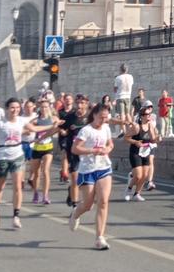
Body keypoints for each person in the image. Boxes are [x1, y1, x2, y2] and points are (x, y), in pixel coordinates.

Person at [0, 97, 50, 229]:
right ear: (7, 109)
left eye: (17, 108)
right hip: (1, 156)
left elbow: (35, 129)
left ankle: (16, 216)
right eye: (12, 107)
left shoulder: (22, 120)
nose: (15, 110)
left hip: (17, 155)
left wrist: (53, 125)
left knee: (17, 186)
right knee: (0, 186)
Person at [69, 101, 114, 250]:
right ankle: (75, 214)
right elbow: (75, 149)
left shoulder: (106, 128)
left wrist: (107, 149)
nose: (104, 120)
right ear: (94, 115)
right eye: (101, 117)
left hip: (103, 167)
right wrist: (92, 151)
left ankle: (99, 238)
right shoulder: (86, 131)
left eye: (106, 117)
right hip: (87, 169)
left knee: (103, 201)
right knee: (87, 205)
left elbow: (110, 144)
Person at [59, 94, 88, 212]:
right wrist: (62, 131)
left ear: (86, 103)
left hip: (88, 153)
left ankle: (71, 190)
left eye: (82, 103)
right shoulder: (70, 117)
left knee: (83, 182)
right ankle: (75, 207)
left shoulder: (91, 117)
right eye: (78, 103)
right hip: (74, 152)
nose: (79, 105)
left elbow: (105, 121)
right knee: (76, 179)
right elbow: (60, 127)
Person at [124, 102, 159, 202]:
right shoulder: (136, 127)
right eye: (148, 115)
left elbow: (152, 139)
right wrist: (135, 142)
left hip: (146, 151)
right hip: (135, 152)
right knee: (138, 175)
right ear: (142, 116)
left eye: (150, 114)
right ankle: (129, 189)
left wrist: (157, 138)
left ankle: (137, 194)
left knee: (144, 175)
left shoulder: (150, 125)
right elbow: (126, 138)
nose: (150, 116)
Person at [28, 97, 58, 205]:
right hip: (37, 148)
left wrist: (62, 130)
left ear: (49, 107)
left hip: (48, 148)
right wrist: (31, 134)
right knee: (36, 173)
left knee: (45, 171)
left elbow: (61, 126)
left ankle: (45, 195)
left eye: (46, 107)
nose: (44, 109)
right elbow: (28, 127)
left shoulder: (53, 119)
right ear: (39, 108)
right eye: (42, 107)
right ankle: (36, 193)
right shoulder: (36, 120)